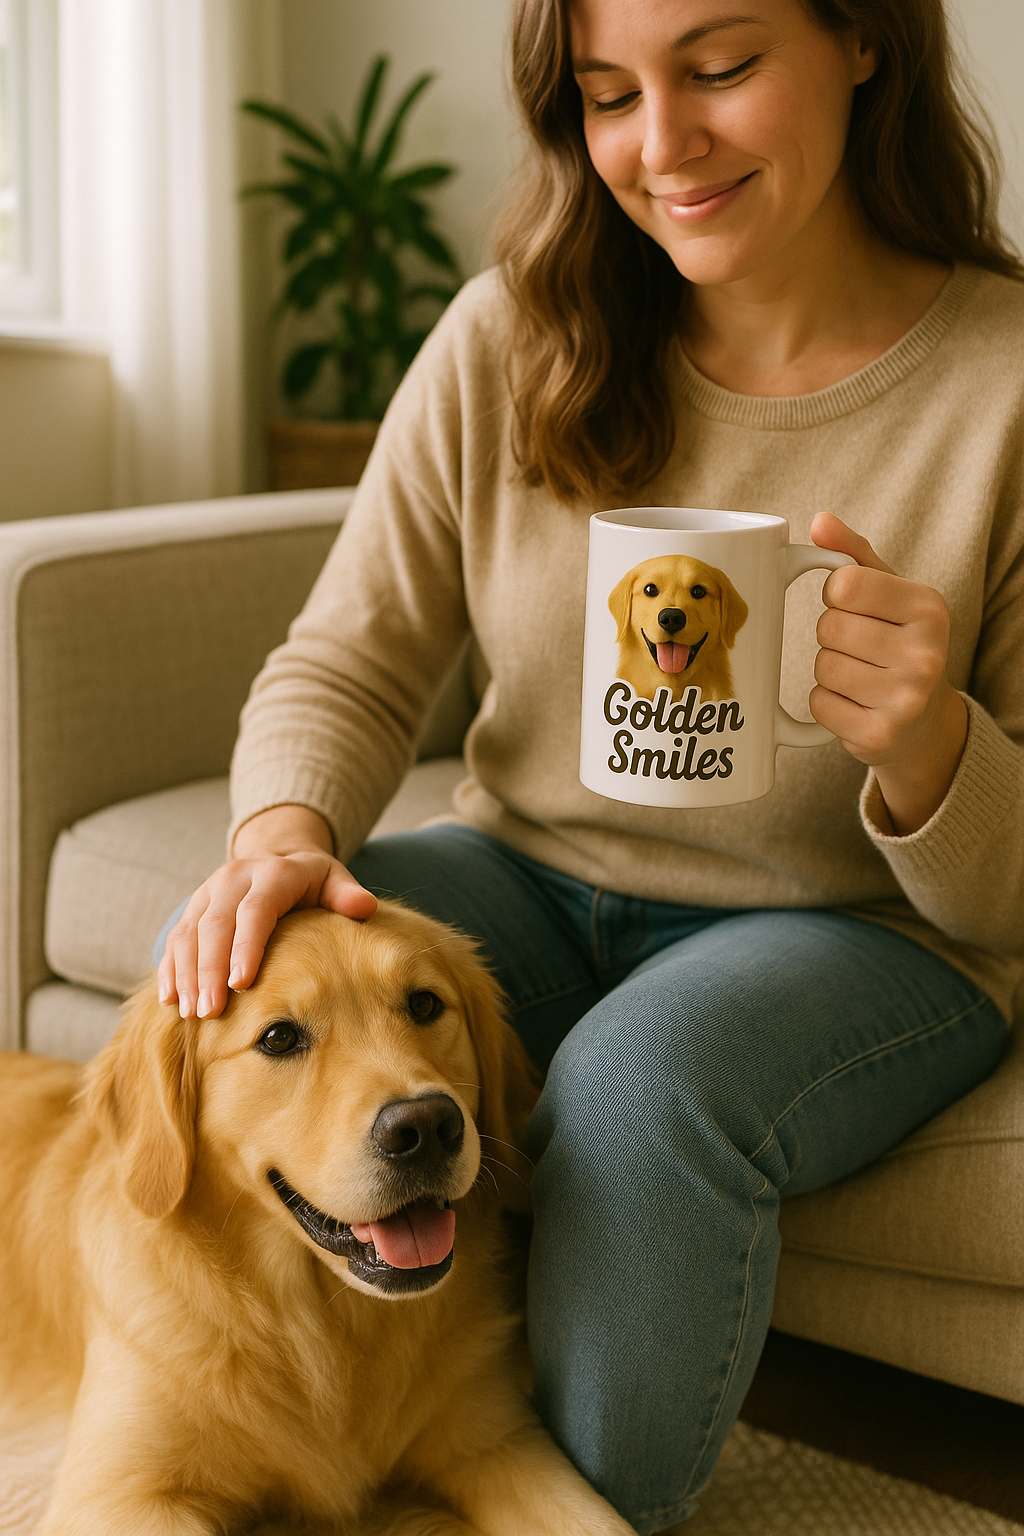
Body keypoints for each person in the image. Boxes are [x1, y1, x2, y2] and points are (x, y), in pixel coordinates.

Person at [159, 0, 1024, 1529]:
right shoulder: (512, 332)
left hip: (857, 934)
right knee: (242, 962)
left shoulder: (1002, 385)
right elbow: (351, 657)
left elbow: (1006, 903)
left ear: (867, 38)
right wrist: (280, 834)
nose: (661, 146)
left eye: (724, 66)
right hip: (523, 880)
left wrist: (931, 747)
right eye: (609, 94)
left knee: (638, 1083)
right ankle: (178, 1429)